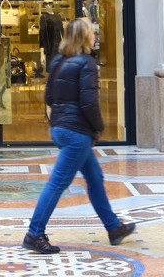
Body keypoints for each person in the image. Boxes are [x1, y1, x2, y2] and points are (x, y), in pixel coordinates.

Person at [23, 17, 135, 254]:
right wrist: (99, 127)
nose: (95, 36)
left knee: (94, 178)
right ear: (85, 37)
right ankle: (34, 233)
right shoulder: (86, 63)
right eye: (92, 33)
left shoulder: (58, 62)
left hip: (61, 128)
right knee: (57, 184)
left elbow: (49, 98)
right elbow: (89, 102)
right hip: (77, 133)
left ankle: (114, 228)